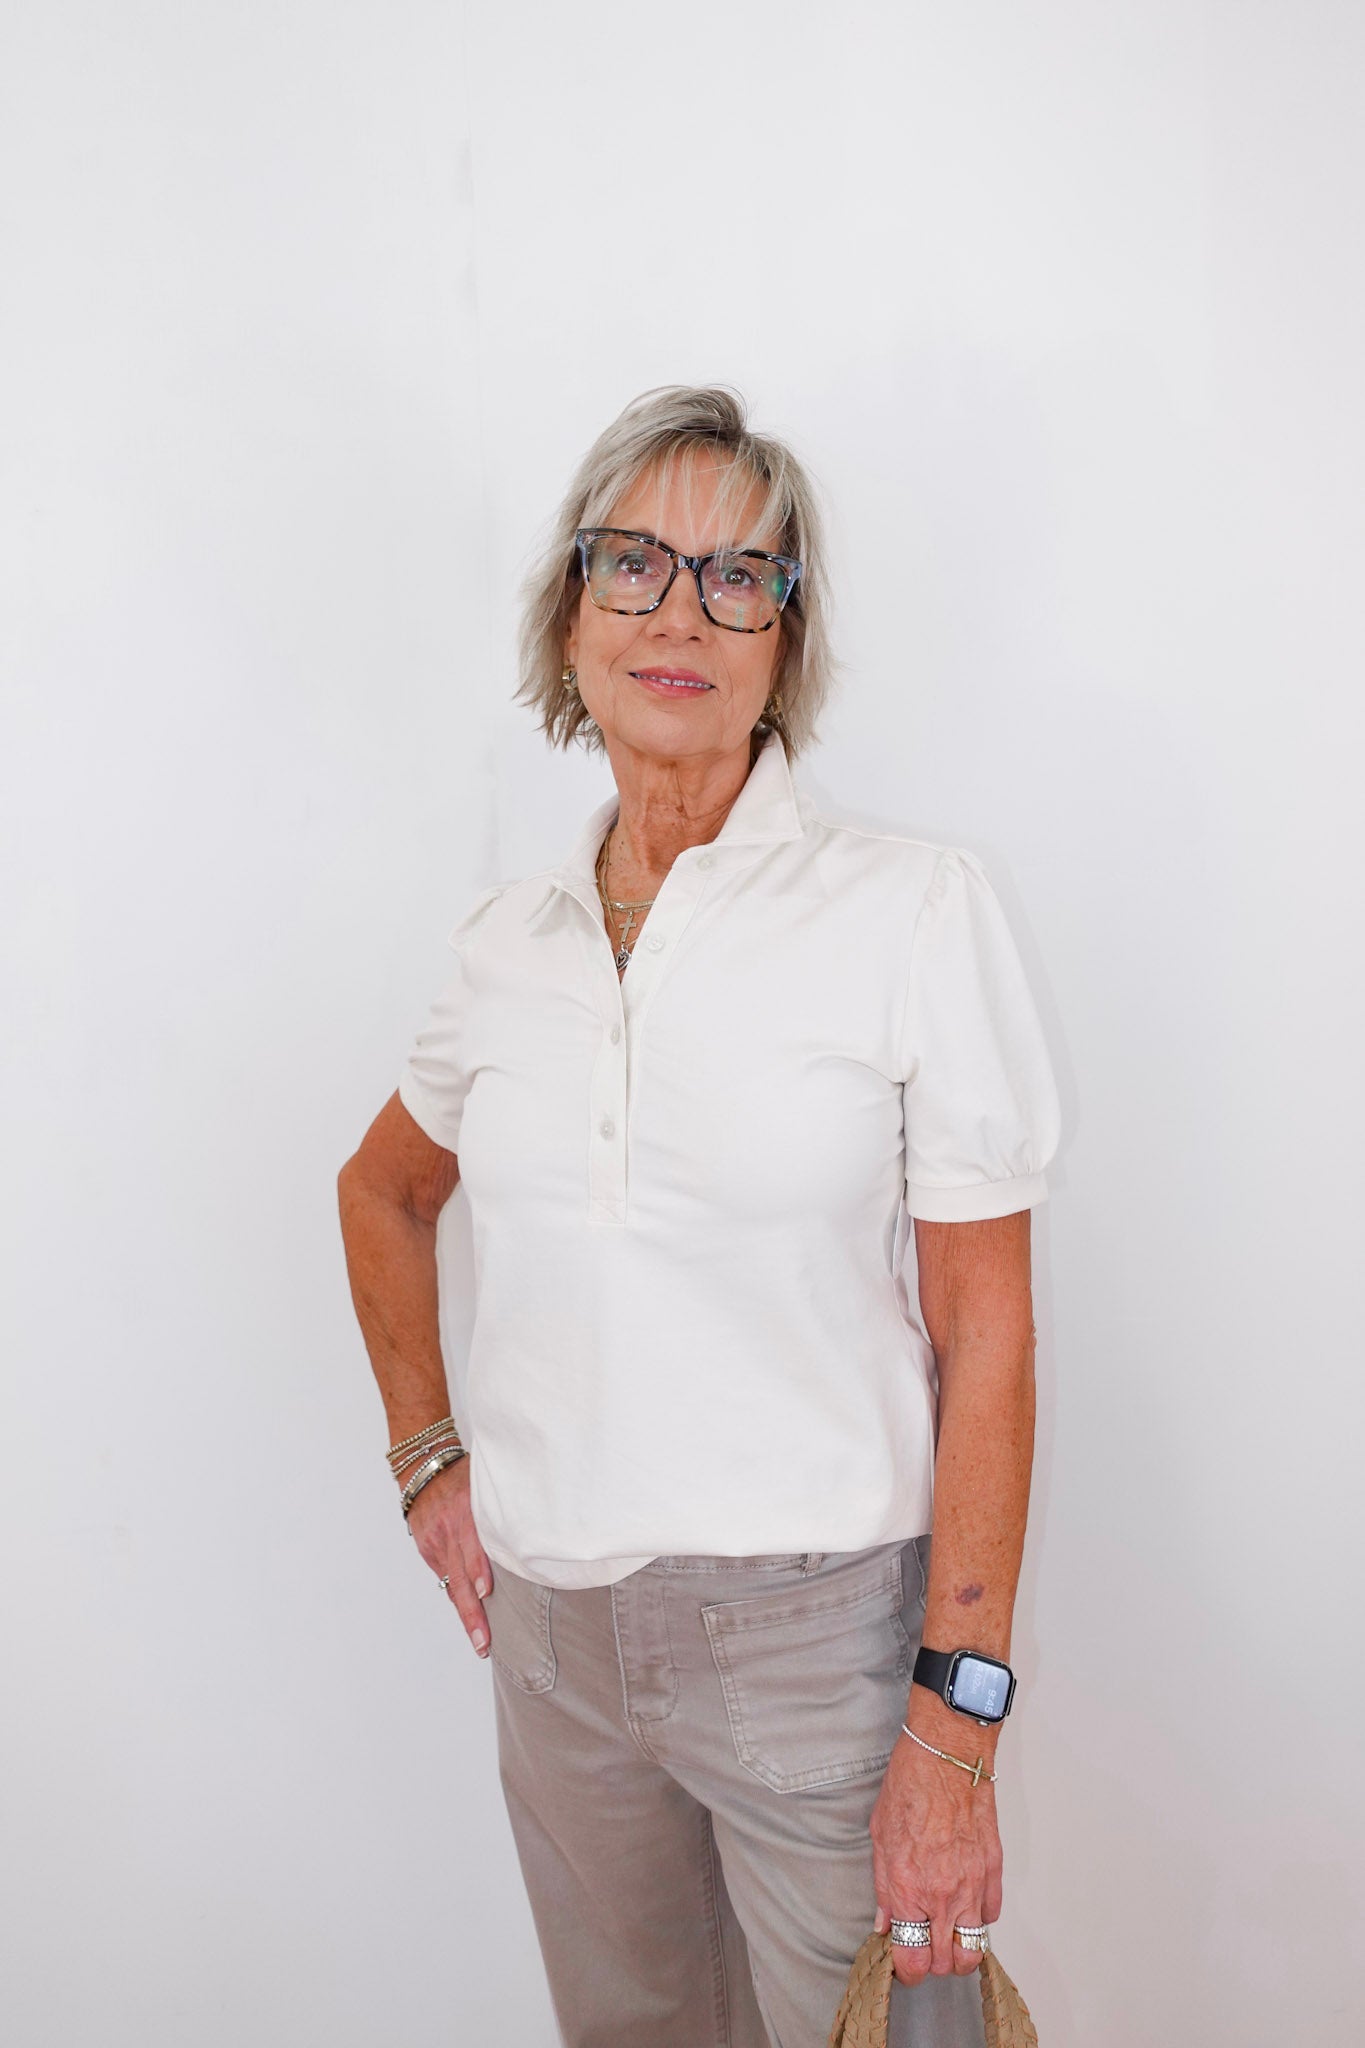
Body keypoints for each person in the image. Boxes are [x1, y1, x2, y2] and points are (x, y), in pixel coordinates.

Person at [337, 385, 1061, 2048]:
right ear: (569, 617)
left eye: (739, 575)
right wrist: (427, 1457)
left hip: (818, 1644)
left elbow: (987, 1331)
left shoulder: (907, 912)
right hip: (553, 1654)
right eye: (634, 564)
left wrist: (955, 1735)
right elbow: (381, 1191)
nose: (681, 611)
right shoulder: (503, 945)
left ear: (783, 638)